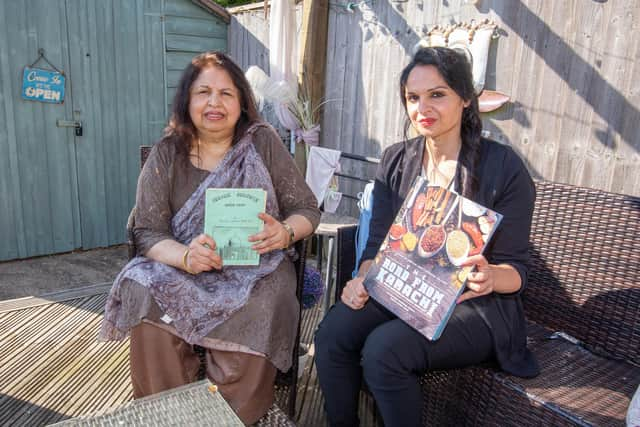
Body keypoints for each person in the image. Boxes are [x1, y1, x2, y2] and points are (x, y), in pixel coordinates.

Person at [314, 46, 539, 427]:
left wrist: (490, 276)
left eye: (437, 95)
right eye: (413, 98)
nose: (423, 108)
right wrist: (362, 278)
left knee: (384, 350)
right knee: (332, 332)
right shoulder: (396, 160)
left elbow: (518, 272)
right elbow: (377, 246)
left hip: (477, 308)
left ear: (465, 98)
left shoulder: (504, 167)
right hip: (407, 291)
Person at [99, 51, 320, 425]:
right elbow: (147, 230)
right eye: (203, 92)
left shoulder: (262, 143)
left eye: (226, 93)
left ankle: (232, 415)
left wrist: (283, 233)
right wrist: (186, 257)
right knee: (142, 286)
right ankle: (166, 413)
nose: (214, 103)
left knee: (270, 296)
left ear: (242, 102)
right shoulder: (167, 153)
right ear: (187, 100)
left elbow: (307, 209)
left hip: (256, 266)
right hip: (183, 264)